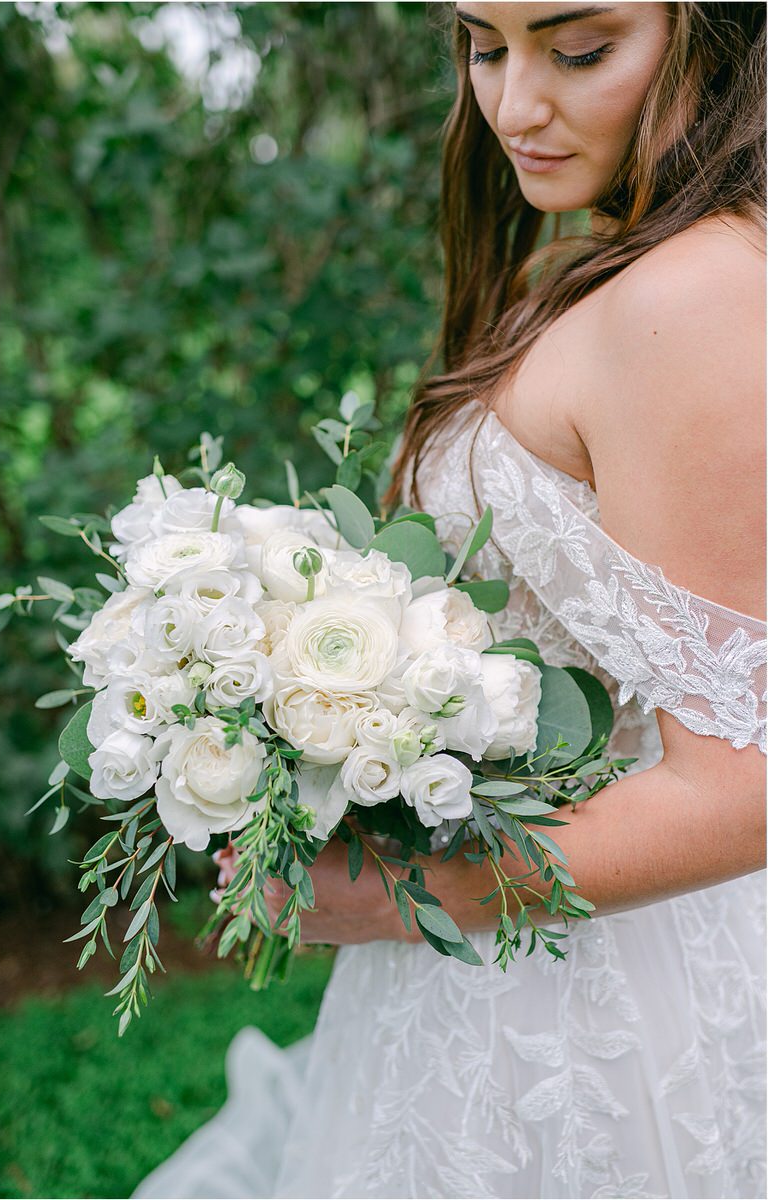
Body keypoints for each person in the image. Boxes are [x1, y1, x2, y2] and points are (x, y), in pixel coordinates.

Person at [134, 3, 766, 1197]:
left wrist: (398, 895)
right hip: (512, 948)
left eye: (577, 51)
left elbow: (741, 791)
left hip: (602, 992)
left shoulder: (694, 297)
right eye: (483, 46)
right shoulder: (603, 256)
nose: (513, 105)